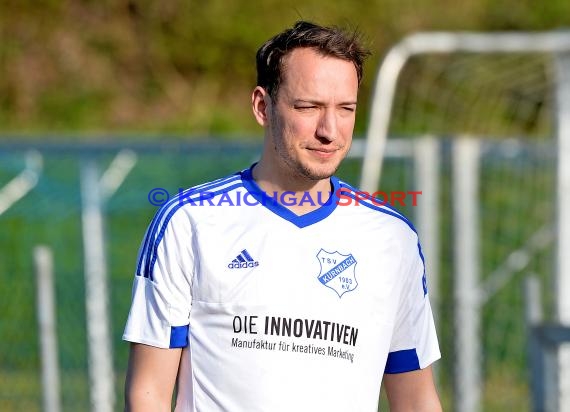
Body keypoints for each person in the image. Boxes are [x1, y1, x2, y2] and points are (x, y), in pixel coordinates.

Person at [123, 20, 442, 412]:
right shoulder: (190, 222)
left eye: (345, 109)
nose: (330, 130)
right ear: (263, 106)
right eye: (309, 107)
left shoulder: (393, 240)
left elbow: (417, 401)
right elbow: (148, 393)